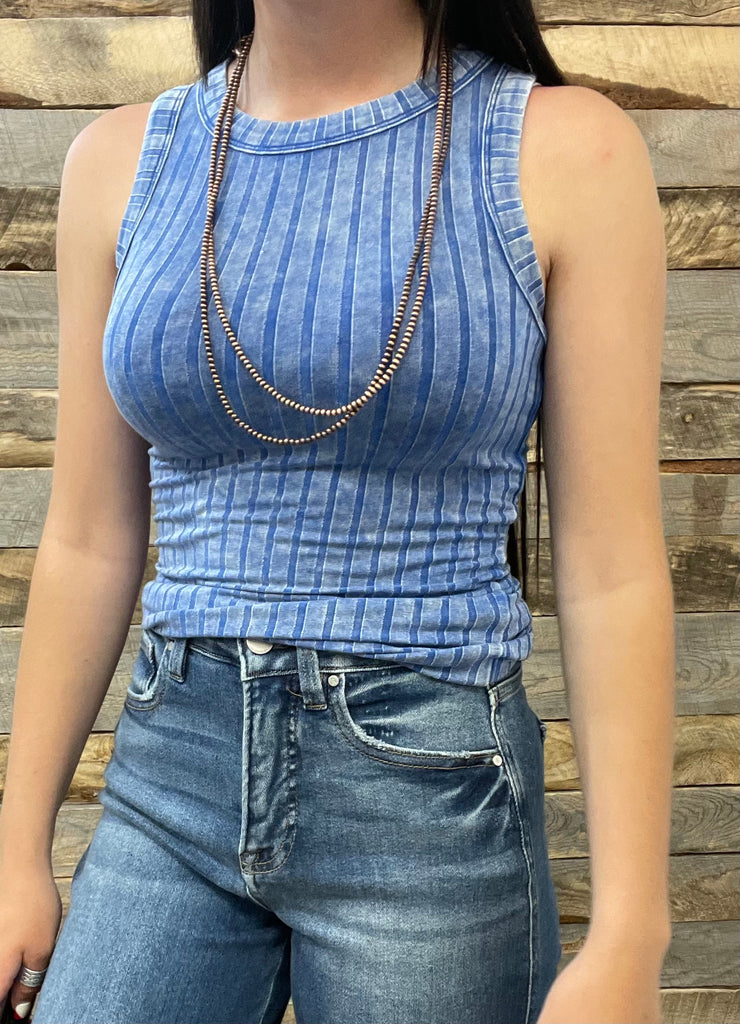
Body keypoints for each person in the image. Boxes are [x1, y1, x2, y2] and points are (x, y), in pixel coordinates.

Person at [0, 0, 675, 1022]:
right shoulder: (120, 161)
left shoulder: (564, 150)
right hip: (169, 771)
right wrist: (18, 849)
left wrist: (631, 930)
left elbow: (610, 568)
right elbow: (88, 540)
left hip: (429, 792)